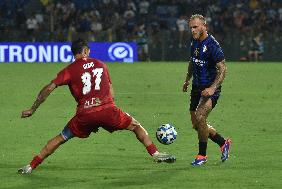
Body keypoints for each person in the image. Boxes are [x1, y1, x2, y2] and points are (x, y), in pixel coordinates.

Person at [18, 39, 176, 174]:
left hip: (84, 115)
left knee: (61, 138)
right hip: (108, 110)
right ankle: (155, 153)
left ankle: (31, 165)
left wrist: (33, 108)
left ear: (74, 53)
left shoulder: (68, 70)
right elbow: (112, 94)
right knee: (136, 126)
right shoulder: (101, 64)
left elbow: (49, 88)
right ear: (86, 51)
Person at [182, 14, 231, 166]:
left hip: (210, 89)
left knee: (200, 116)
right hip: (197, 87)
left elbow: (223, 68)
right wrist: (187, 79)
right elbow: (193, 61)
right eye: (191, 27)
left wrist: (212, 87)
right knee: (196, 124)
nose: (192, 30)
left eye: (195, 27)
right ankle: (223, 142)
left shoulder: (212, 45)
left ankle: (202, 155)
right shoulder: (194, 41)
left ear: (204, 26)